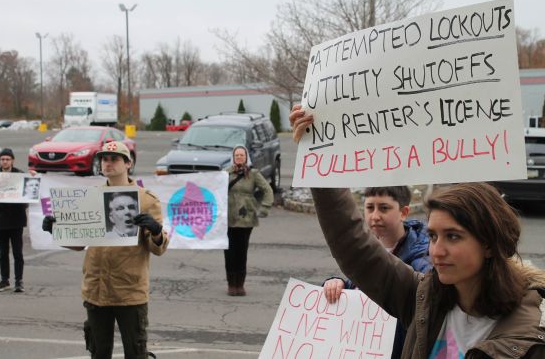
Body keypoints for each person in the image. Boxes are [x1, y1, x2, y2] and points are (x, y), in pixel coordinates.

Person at [290, 105, 545, 358]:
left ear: (489, 243)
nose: (437, 250)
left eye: (453, 236)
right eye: (433, 236)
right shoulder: (424, 298)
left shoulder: (530, 334)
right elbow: (353, 245)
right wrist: (318, 154)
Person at [42, 141, 169, 359]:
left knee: (135, 352)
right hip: (96, 289)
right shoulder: (91, 198)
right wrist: (56, 230)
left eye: (114, 159)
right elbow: (80, 243)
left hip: (129, 291)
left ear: (128, 163)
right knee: (99, 352)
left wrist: (156, 231)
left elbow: (157, 249)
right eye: (104, 159)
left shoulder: (145, 200)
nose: (107, 163)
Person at [323, 186, 431, 359]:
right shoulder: (364, 251)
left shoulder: (423, 260)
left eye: (384, 208)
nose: (375, 216)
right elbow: (361, 284)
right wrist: (338, 284)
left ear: (403, 212)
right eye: (369, 207)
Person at [225, 145, 274, 296]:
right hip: (228, 218)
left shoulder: (253, 174)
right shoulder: (226, 173)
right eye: (237, 155)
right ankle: (231, 284)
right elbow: (214, 188)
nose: (239, 157)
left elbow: (267, 190)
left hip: (246, 218)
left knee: (241, 250)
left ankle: (240, 284)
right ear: (233, 157)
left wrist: (264, 208)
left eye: (242, 155)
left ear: (246, 157)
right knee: (229, 252)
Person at [0, 148, 35, 293]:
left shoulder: (19, 175)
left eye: (7, 159)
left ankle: (19, 281)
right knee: (3, 253)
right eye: (2, 159)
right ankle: (4, 280)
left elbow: (29, 195)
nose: (5, 161)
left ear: (12, 160)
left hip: (16, 219)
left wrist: (33, 178)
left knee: (17, 253)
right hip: (0, 220)